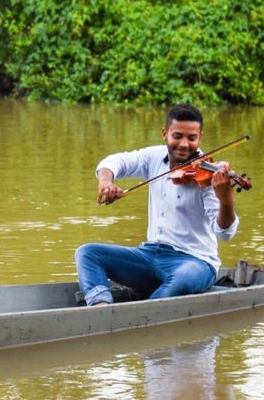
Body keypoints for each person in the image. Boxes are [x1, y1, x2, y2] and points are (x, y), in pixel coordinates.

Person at [75, 104, 238, 306]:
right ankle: (101, 307)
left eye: (192, 138)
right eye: (177, 136)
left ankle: (142, 314)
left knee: (183, 278)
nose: (184, 144)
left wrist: (226, 199)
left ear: (200, 138)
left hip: (194, 261)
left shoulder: (210, 176)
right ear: (165, 134)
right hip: (150, 255)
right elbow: (115, 161)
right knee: (88, 253)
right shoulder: (153, 157)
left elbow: (225, 233)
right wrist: (106, 182)